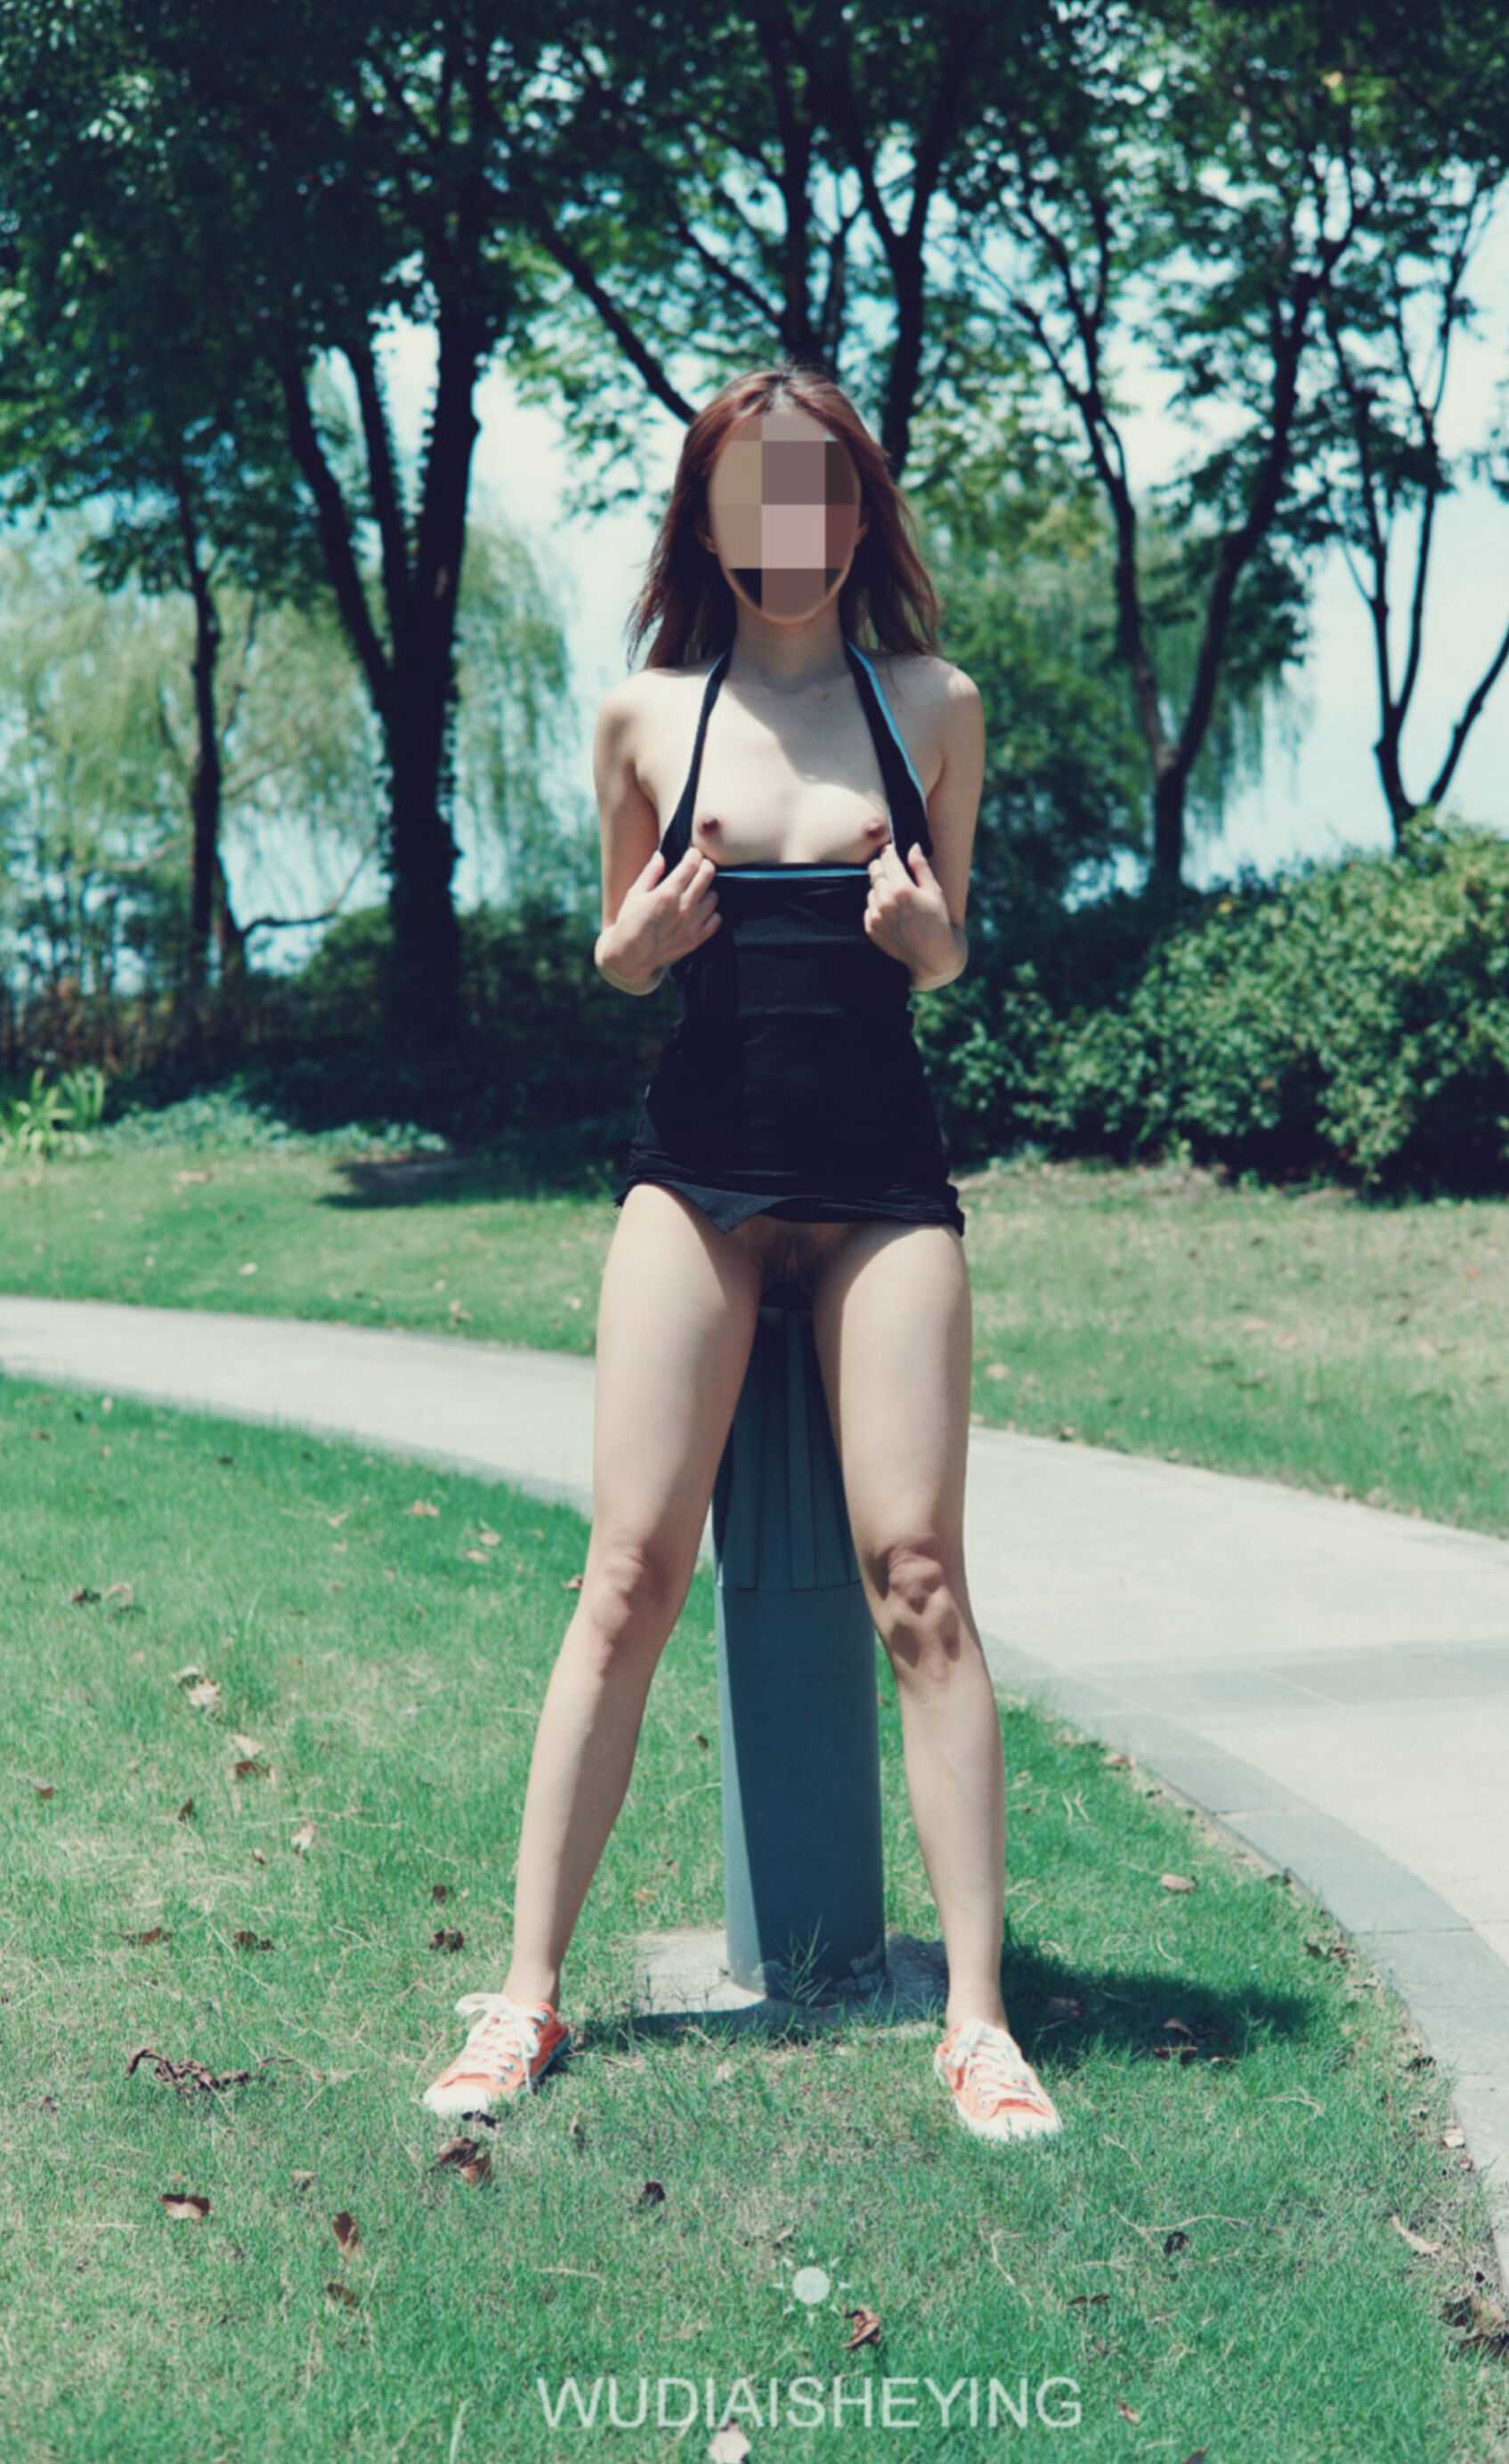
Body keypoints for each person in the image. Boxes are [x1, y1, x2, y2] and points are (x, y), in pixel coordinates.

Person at [422, 361, 1060, 2144]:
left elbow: (950, 949)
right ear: (709, 521)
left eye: (822, 489)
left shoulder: (934, 702)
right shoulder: (645, 715)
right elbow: (620, 955)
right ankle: (525, 1995)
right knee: (629, 1572)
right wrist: (639, 944)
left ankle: (979, 2020)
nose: (793, 525)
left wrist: (927, 936)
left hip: (881, 1184)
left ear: (859, 511)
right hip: (694, 1175)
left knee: (919, 1576)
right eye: (756, 494)